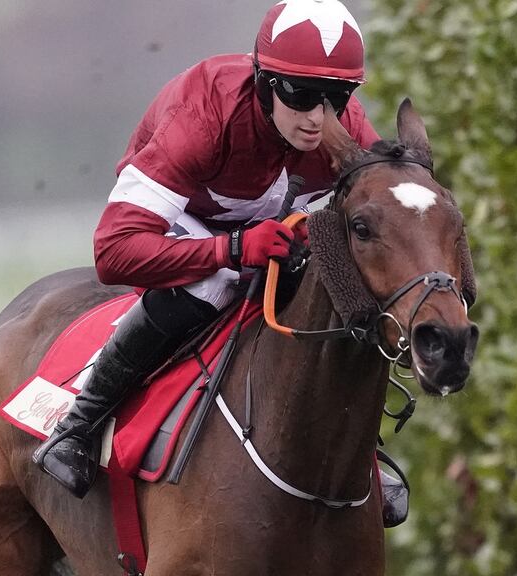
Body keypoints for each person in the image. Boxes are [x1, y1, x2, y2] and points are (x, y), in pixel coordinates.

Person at [32, 0, 409, 527]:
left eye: (336, 98)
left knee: (330, 281)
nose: (318, 118)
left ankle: (361, 452)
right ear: (264, 80)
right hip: (185, 216)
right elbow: (112, 251)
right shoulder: (203, 118)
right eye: (300, 97)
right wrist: (231, 250)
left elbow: (387, 200)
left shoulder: (337, 120)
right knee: (210, 287)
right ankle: (76, 427)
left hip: (275, 214)